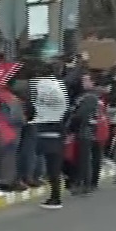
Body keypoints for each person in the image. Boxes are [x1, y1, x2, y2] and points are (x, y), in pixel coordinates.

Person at [28, 64, 69, 208]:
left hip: (46, 134)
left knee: (52, 167)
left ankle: (55, 198)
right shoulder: (59, 90)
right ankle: (55, 196)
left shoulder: (43, 92)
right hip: (57, 133)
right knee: (55, 167)